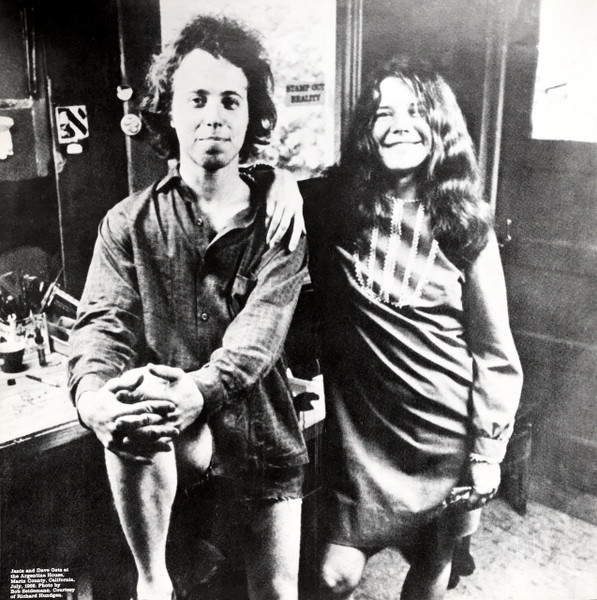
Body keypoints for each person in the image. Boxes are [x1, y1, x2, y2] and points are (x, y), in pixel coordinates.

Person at [68, 15, 308, 600]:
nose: (213, 115)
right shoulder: (126, 224)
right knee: (137, 402)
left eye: (231, 100)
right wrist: (92, 399)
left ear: (250, 117)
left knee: (276, 594)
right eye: (196, 99)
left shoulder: (282, 221)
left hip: (260, 439)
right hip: (173, 440)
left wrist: (197, 390)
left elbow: (258, 337)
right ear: (168, 113)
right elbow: (102, 325)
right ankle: (154, 585)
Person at [294, 56, 523, 600]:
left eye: (416, 111)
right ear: (365, 130)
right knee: (335, 574)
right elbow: (265, 189)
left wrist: (487, 452)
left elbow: (494, 352)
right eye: (382, 113)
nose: (399, 125)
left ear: (440, 125)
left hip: (444, 433)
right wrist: (279, 184)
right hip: (362, 434)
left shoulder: (467, 223)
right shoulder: (332, 206)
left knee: (431, 564)